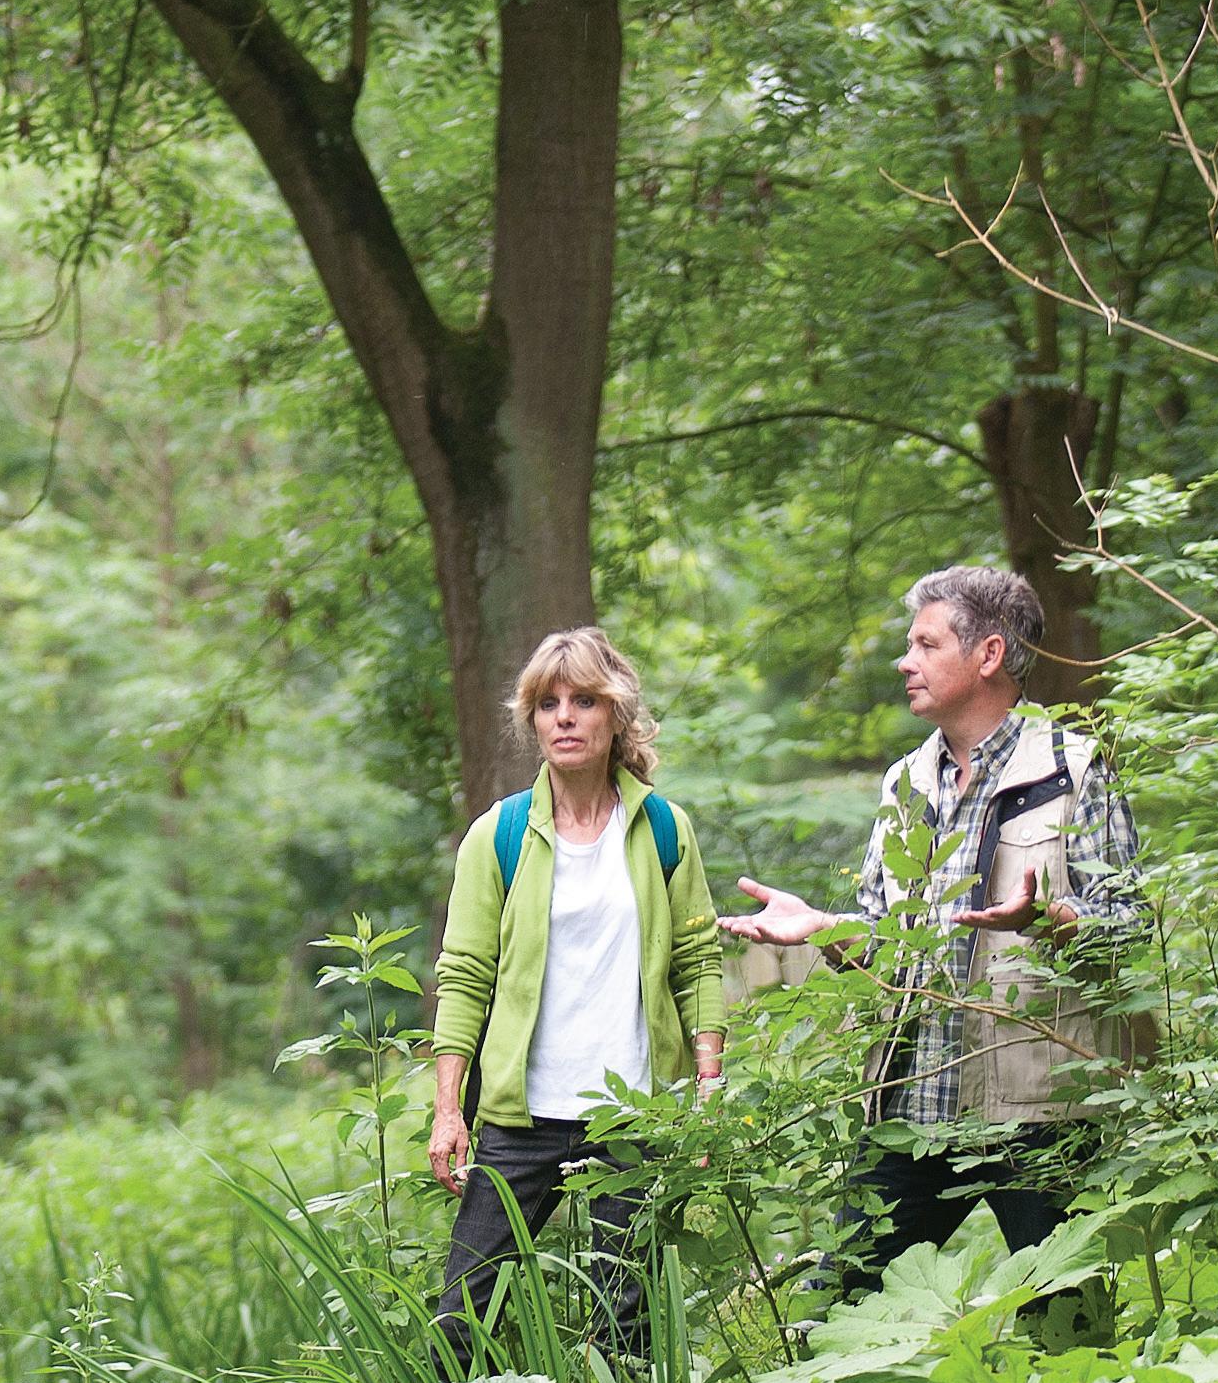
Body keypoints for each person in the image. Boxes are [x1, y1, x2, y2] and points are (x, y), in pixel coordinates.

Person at [720, 560, 1143, 1262]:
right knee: (841, 1302)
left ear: (989, 653)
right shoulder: (905, 782)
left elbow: (1127, 928)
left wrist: (1048, 920)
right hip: (912, 1103)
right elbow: (884, 944)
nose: (904, 661)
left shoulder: (1074, 770)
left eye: (925, 643)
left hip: (1040, 1109)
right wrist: (823, 929)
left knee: (1064, 1313)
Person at [427, 628, 727, 1341]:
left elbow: (697, 961)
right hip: (521, 1117)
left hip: (636, 1117)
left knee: (626, 1331)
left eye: (584, 700)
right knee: (463, 1320)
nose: (564, 717)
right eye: (547, 703)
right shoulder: (497, 835)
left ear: (615, 715)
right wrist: (448, 1109)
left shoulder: (663, 829)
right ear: (532, 721)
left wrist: (708, 1088)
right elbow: (463, 975)